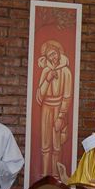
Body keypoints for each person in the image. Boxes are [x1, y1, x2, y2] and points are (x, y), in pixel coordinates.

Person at [36, 40, 72, 177]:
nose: (53, 57)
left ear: (59, 53)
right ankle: (45, 176)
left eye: (54, 54)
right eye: (50, 55)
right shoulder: (46, 71)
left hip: (59, 108)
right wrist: (48, 79)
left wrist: (61, 117)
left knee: (57, 145)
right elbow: (39, 96)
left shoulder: (66, 72)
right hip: (46, 109)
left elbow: (67, 96)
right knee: (45, 145)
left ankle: (56, 176)